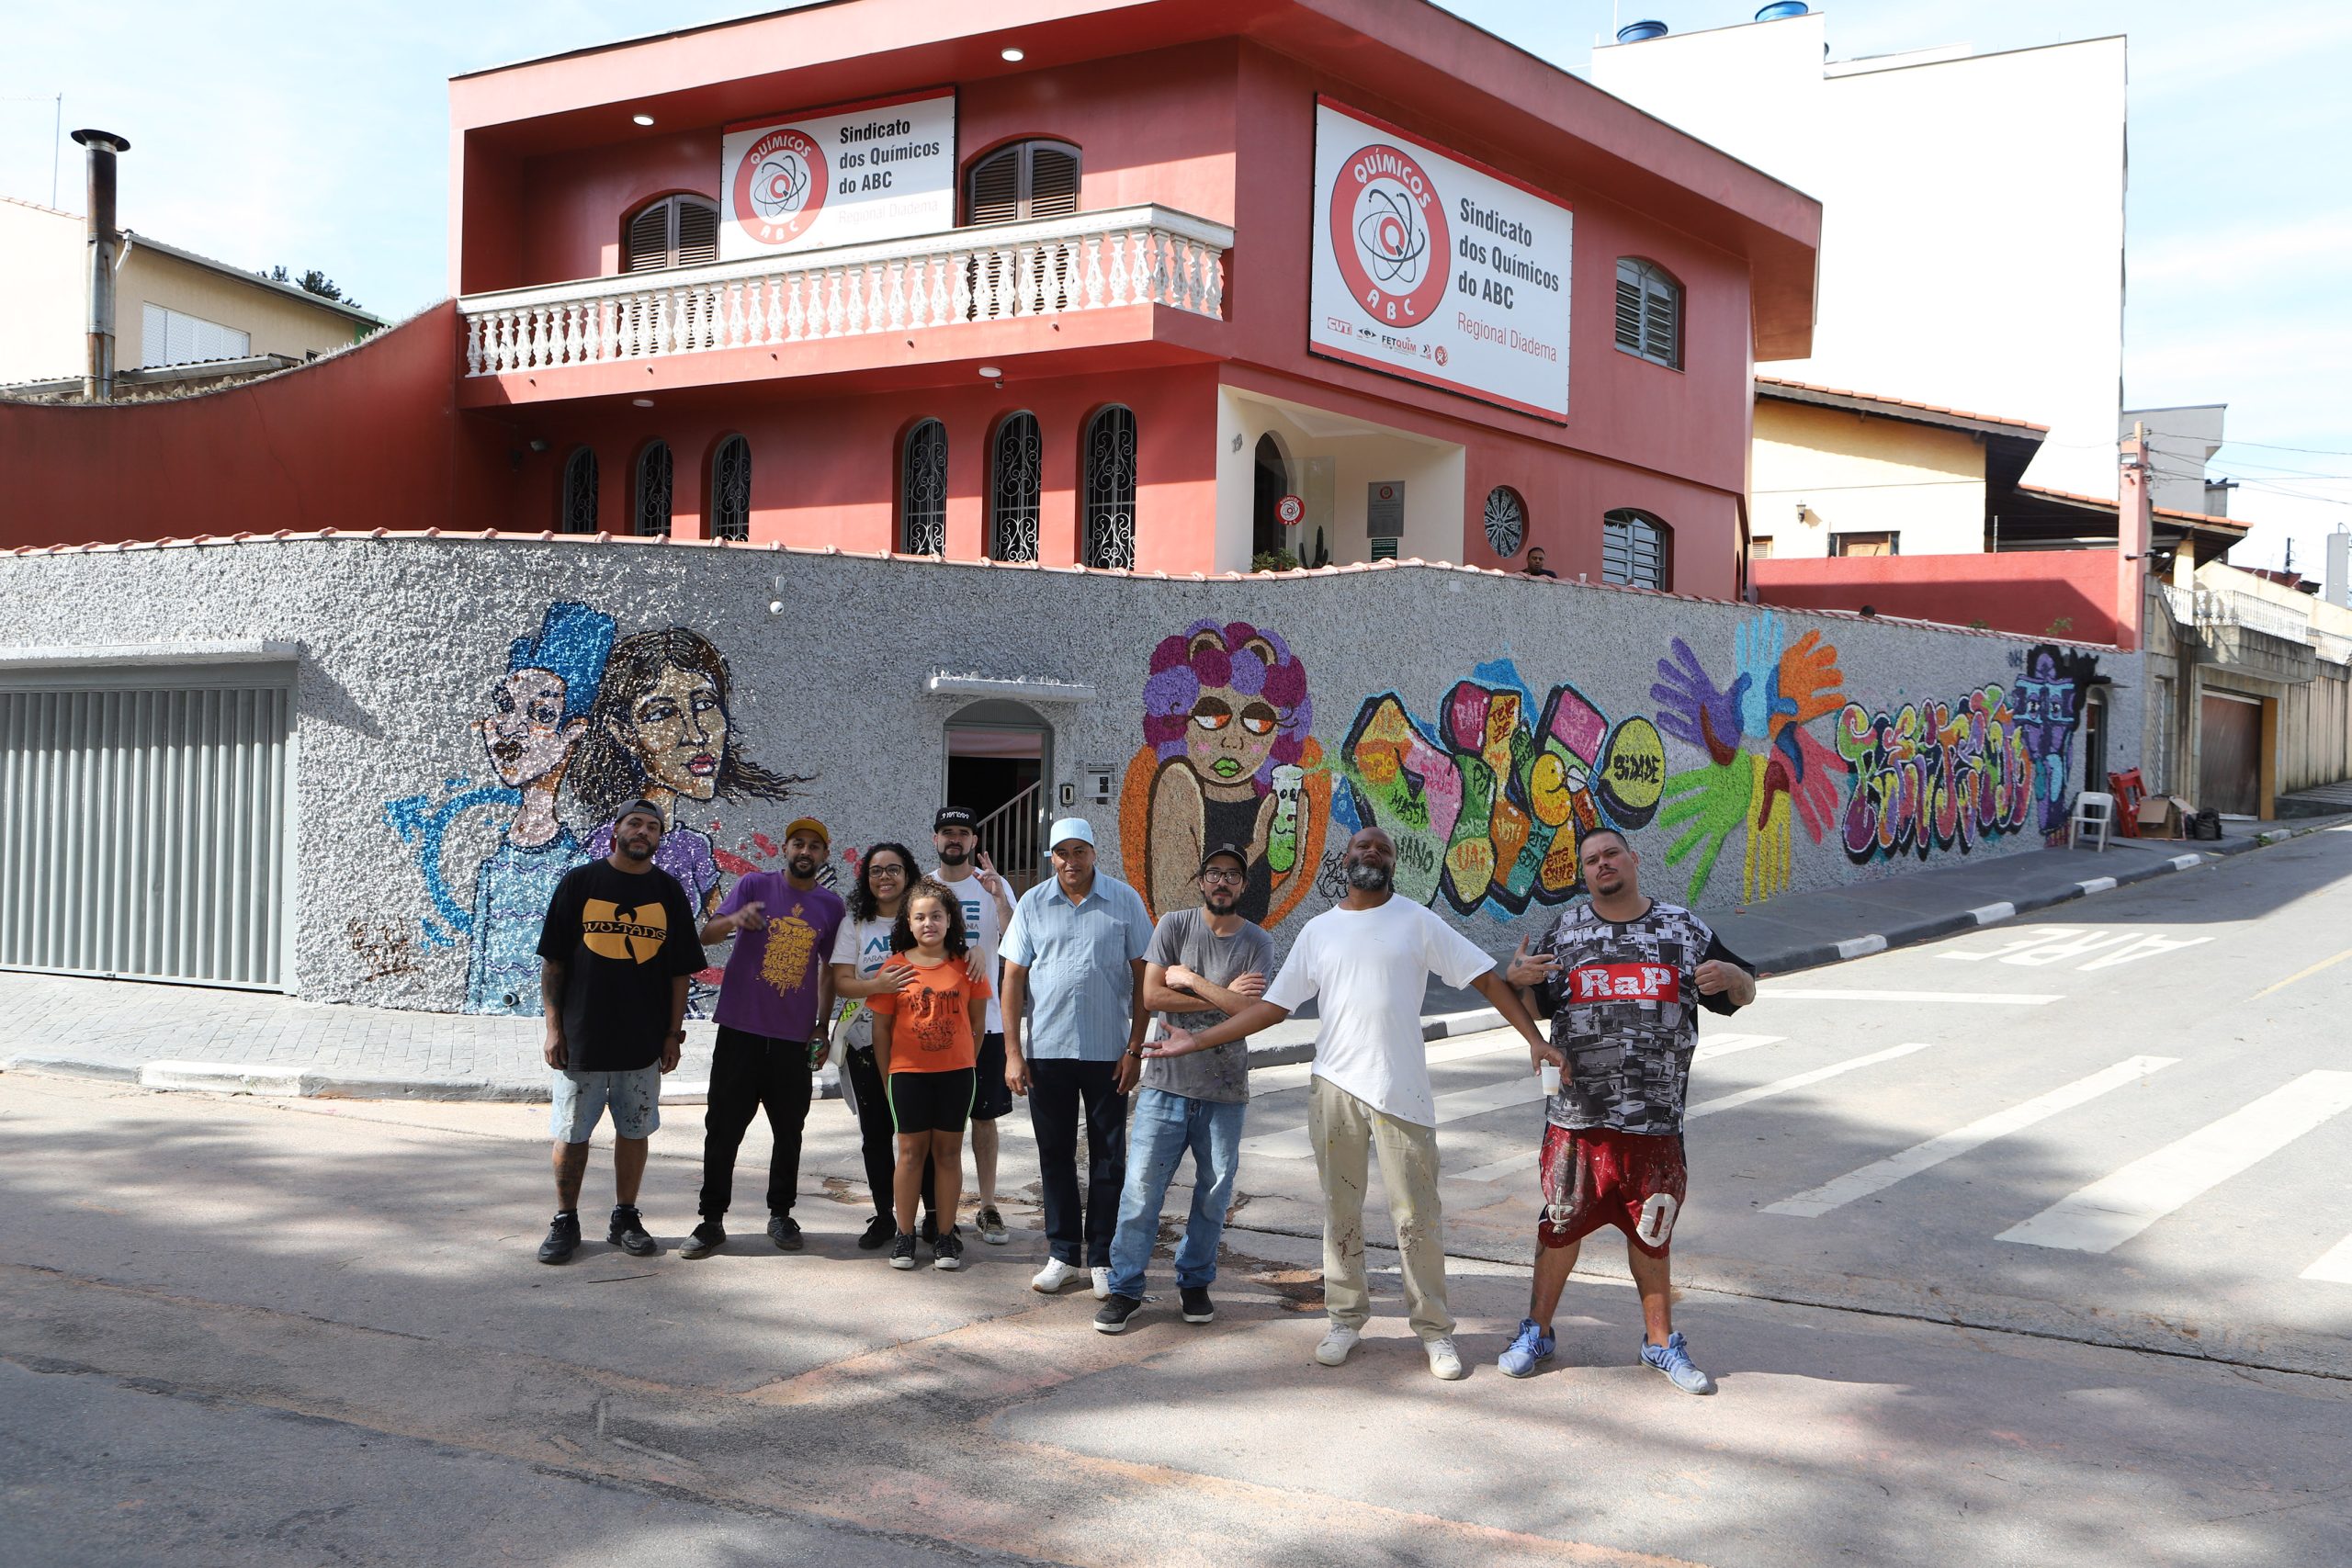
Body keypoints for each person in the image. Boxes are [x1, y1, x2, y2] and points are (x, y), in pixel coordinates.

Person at [1149, 826, 1552, 1381]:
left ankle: (1434, 1331)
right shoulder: (1319, 931)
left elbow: (1485, 979)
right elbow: (1271, 1010)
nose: (1372, 853)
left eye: (1383, 849)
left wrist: (1533, 1038)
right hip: (1334, 1090)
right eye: (1363, 847)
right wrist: (1194, 1039)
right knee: (1341, 1213)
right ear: (1345, 860)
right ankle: (1344, 1318)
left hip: (1402, 1093)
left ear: (1392, 864)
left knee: (1417, 1217)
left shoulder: (1418, 921)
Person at [1498, 826, 1755, 1394]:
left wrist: (1737, 979)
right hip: (1577, 1119)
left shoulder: (1683, 929)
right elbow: (1528, 1004)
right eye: (1591, 860)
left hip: (1654, 1120)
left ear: (1634, 860)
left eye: (1611, 853)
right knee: (1559, 1226)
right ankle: (1536, 1332)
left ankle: (1661, 1344)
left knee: (1653, 1233)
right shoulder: (1564, 932)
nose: (1602, 864)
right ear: (1584, 873)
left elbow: (1741, 991)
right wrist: (1514, 982)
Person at [1094, 843, 1276, 1334]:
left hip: (1225, 1090)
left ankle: (1194, 1281)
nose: (1223, 882)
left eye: (1233, 876)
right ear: (1201, 881)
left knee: (1213, 1197)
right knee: (1140, 1194)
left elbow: (1253, 1015)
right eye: (1214, 873)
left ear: (1243, 886)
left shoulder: (1259, 942)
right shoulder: (1173, 925)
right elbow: (1151, 995)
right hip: (1164, 1087)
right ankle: (1125, 1287)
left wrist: (1192, 980)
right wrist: (1225, 995)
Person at [533, 796, 707, 1265]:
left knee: (634, 1130)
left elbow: (679, 973)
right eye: (635, 823)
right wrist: (553, 1029)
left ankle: (625, 1217)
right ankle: (564, 1221)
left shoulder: (669, 892)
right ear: (616, 831)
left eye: (653, 827)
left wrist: (673, 1034)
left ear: (658, 838)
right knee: (572, 1133)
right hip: (582, 1036)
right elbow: (554, 962)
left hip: (643, 1041)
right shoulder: (581, 882)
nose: (643, 832)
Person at [1001, 818, 1154, 1298]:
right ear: (1051, 857)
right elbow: (1012, 981)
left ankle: (1103, 1257)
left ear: (1093, 852)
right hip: (1047, 1050)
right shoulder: (1032, 904)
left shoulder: (1124, 900)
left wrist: (1135, 1048)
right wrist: (1012, 1053)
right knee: (1055, 1154)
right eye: (1061, 852)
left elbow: (1144, 978)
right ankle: (1063, 1252)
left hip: (1109, 1052)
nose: (1071, 861)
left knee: (1110, 1158)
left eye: (1079, 851)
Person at [680, 818, 843, 1259]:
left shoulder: (832, 907)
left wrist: (822, 1024)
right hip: (740, 1031)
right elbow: (706, 935)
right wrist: (735, 918)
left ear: (824, 855)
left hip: (792, 1039)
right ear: (785, 849)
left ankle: (781, 1213)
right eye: (797, 844)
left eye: (814, 845)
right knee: (723, 1130)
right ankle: (711, 1220)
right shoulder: (753, 885)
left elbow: (829, 969)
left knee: (788, 1132)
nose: (805, 851)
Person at [466, 600, 614, 1015]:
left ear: (573, 733)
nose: (511, 729)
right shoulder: (494, 865)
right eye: (505, 707)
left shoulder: (578, 868)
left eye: (541, 714)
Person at [866, 880, 992, 1271]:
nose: (928, 924)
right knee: (909, 1154)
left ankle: (944, 1234)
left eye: (936, 916)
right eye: (920, 917)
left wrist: (964, 1062)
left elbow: (977, 1026)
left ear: (950, 920)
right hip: (907, 1077)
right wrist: (891, 1075)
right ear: (908, 921)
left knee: (947, 1154)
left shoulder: (967, 966)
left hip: (956, 1076)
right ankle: (904, 1236)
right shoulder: (895, 968)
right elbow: (881, 1030)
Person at [930, 807, 1016, 1246]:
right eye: (948, 832)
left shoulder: (992, 888)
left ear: (975, 842)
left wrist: (1000, 896)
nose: (955, 840)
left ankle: (987, 1206)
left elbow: (1019, 942)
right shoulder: (922, 888)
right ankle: (935, 1210)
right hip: (931, 1021)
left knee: (984, 1118)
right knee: (935, 1122)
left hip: (989, 1022)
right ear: (936, 839)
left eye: (964, 833)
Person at [830, 841, 921, 1250]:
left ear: (908, 874)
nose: (885, 877)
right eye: (876, 870)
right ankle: (886, 1215)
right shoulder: (856, 923)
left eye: (893, 869)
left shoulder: (921, 918)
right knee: (876, 1133)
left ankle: (934, 1218)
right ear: (866, 879)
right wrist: (877, 986)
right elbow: (842, 982)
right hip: (864, 1042)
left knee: (922, 1132)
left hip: (919, 1042)